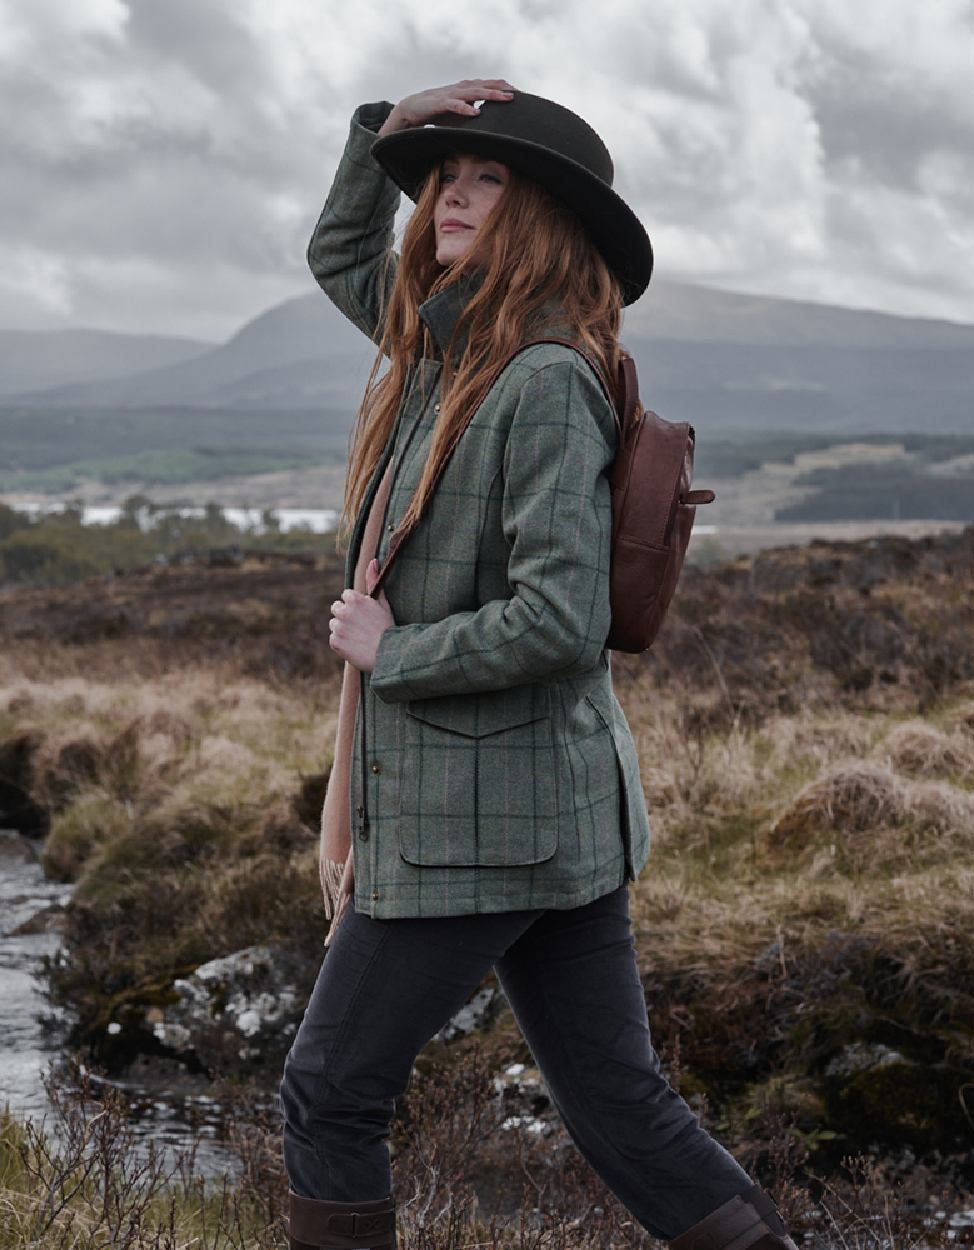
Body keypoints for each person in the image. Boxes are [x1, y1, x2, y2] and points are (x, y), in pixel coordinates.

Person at [279, 80, 797, 1250]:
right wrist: (386, 121)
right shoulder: (439, 345)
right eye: (443, 181)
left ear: (540, 217)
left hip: (484, 824)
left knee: (327, 1090)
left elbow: (558, 621)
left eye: (485, 181)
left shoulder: (543, 380)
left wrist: (391, 648)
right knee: (620, 1105)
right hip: (551, 821)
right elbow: (337, 245)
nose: (451, 197)